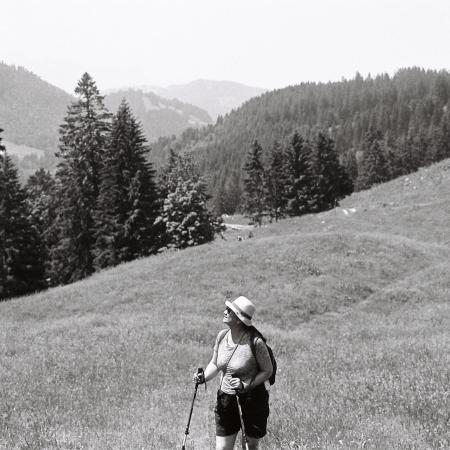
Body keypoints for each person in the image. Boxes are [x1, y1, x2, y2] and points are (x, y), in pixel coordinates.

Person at [193, 296, 273, 450]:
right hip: (226, 399)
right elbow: (215, 364)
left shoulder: (255, 342)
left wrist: (246, 384)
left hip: (252, 400)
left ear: (238, 319)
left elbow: (267, 370)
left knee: (250, 447)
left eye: (229, 311)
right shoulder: (222, 336)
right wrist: (203, 378)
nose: (225, 312)